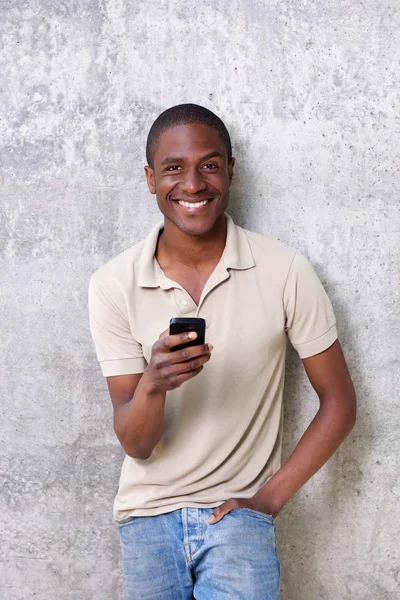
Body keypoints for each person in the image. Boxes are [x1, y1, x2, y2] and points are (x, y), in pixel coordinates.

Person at [88, 103, 356, 600]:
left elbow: (339, 402)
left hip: (238, 518)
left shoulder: (286, 269)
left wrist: (267, 501)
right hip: (147, 518)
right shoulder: (112, 284)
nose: (193, 184)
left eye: (209, 165)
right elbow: (137, 443)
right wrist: (154, 383)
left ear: (230, 172)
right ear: (150, 178)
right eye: (174, 168)